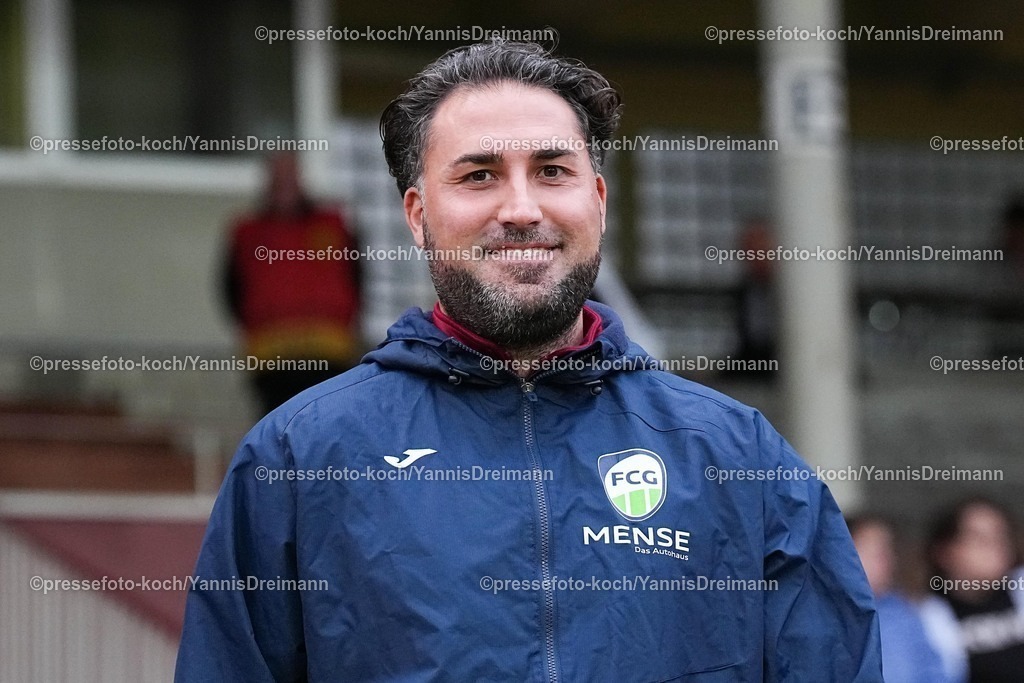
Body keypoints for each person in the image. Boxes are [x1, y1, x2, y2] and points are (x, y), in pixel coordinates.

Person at [177, 40, 880, 681]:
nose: (520, 207)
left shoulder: (741, 459)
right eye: (479, 175)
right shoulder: (299, 458)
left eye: (551, 170)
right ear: (418, 215)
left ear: (597, 201)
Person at [222, 150, 363, 415]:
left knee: (328, 428)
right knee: (278, 432)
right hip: (271, 358)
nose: (285, 183)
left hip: (329, 352)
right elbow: (232, 289)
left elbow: (355, 278)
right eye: (279, 176)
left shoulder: (333, 225)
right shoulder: (247, 232)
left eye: (291, 175)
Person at [920, 497, 1024, 683]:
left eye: (1000, 536)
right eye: (978, 537)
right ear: (944, 552)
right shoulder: (924, 618)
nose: (994, 546)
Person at [847, 513, 950, 683]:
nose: (888, 560)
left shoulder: (901, 612)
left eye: (888, 551)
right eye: (876, 553)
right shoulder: (812, 616)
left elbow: (933, 672)